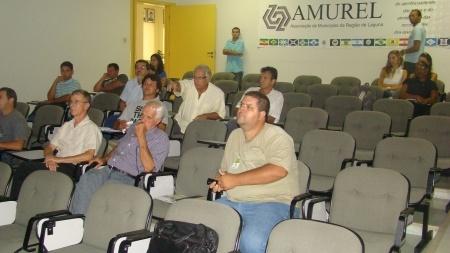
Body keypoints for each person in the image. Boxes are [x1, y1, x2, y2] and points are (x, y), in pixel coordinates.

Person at [209, 91, 300, 253]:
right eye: (241, 105)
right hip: (233, 201)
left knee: (252, 241)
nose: (241, 109)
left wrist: (235, 180)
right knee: (202, 228)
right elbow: (225, 171)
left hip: (271, 203)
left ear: (262, 115)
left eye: (248, 107)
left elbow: (278, 170)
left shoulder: (277, 136)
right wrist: (220, 182)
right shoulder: (235, 136)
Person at [69, 101, 169, 214]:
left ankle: (91, 223)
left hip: (129, 177)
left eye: (148, 117)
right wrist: (104, 159)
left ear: (157, 121)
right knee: (86, 179)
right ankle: (77, 220)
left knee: (104, 192)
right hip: (109, 168)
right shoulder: (133, 128)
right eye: (142, 115)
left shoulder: (161, 139)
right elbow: (118, 148)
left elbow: (149, 168)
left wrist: (141, 137)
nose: (142, 120)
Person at [10, 90, 102, 200]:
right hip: (58, 163)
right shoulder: (67, 126)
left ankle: (13, 204)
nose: (71, 105)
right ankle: (20, 203)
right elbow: (50, 146)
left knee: (24, 169)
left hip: (73, 167)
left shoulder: (91, 129)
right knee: (26, 168)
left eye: (76, 102)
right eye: (70, 102)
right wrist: (50, 157)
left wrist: (58, 160)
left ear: (86, 105)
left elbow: (89, 156)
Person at [167, 64, 226, 135]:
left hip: (201, 130)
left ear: (208, 78)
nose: (196, 81)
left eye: (199, 78)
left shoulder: (218, 93)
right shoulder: (189, 84)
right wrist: (175, 85)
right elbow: (180, 85)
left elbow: (220, 114)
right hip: (180, 125)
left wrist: (206, 116)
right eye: (195, 77)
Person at [0, 87, 30, 153]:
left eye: (0, 97)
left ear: (11, 100)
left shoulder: (18, 119)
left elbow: (18, 146)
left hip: (8, 155)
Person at [401, 9, 426, 76]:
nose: (410, 17)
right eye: (410, 16)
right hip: (414, 61)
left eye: (413, 15)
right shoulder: (420, 28)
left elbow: (416, 47)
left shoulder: (417, 28)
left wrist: (403, 51)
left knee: (408, 84)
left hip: (412, 62)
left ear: (419, 17)